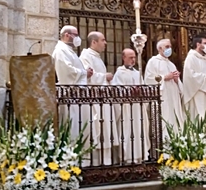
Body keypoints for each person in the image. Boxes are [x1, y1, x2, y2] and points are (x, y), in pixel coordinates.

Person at [52, 26, 94, 160]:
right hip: (69, 95)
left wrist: (85, 70)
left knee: (78, 126)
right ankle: (70, 159)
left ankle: (79, 157)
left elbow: (74, 69)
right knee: (72, 127)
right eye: (75, 34)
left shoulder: (68, 50)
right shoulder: (60, 50)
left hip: (75, 95)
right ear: (66, 35)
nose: (77, 38)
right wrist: (84, 73)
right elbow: (66, 72)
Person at [80, 31, 118, 165]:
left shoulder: (96, 56)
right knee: (98, 129)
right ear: (94, 42)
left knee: (105, 128)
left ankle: (106, 161)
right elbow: (87, 76)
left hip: (102, 97)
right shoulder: (85, 56)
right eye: (103, 40)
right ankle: (96, 163)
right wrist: (104, 77)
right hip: (95, 98)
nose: (106, 43)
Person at [112, 49, 150, 164]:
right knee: (127, 132)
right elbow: (116, 91)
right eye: (130, 57)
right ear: (123, 58)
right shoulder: (119, 73)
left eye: (134, 57)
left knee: (139, 132)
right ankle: (127, 158)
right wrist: (129, 92)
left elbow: (143, 88)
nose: (133, 60)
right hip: (127, 108)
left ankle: (140, 157)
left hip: (138, 108)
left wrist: (141, 92)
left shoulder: (137, 73)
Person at [144, 39, 185, 132]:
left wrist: (176, 80)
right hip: (163, 99)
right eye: (167, 47)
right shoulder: (153, 62)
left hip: (173, 98)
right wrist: (165, 77)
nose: (169, 49)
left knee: (175, 122)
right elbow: (149, 79)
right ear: (159, 48)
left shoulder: (171, 64)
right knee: (164, 121)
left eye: (170, 46)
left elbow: (179, 87)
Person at [182, 35, 206, 125]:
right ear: (198, 44)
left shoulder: (205, 59)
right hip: (198, 93)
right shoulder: (191, 58)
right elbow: (190, 76)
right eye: (205, 43)